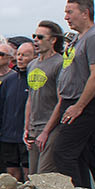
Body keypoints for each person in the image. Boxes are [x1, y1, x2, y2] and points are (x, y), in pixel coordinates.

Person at [42, 0, 95, 189]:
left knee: (63, 152)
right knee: (78, 153)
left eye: (70, 12)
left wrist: (79, 106)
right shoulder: (79, 38)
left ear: (85, 12)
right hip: (71, 100)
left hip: (84, 103)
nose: (66, 17)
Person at [25, 21, 65, 175]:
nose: (36, 40)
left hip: (51, 127)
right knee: (32, 174)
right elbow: (30, 97)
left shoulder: (60, 63)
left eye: (40, 37)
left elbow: (61, 100)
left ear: (53, 40)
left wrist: (47, 131)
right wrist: (26, 127)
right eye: (34, 36)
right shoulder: (32, 65)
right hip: (34, 127)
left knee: (44, 174)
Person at [0, 39, 28, 179]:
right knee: (11, 171)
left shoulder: (33, 79)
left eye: (1, 54)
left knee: (28, 170)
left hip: (27, 135)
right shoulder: (9, 81)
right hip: (7, 135)